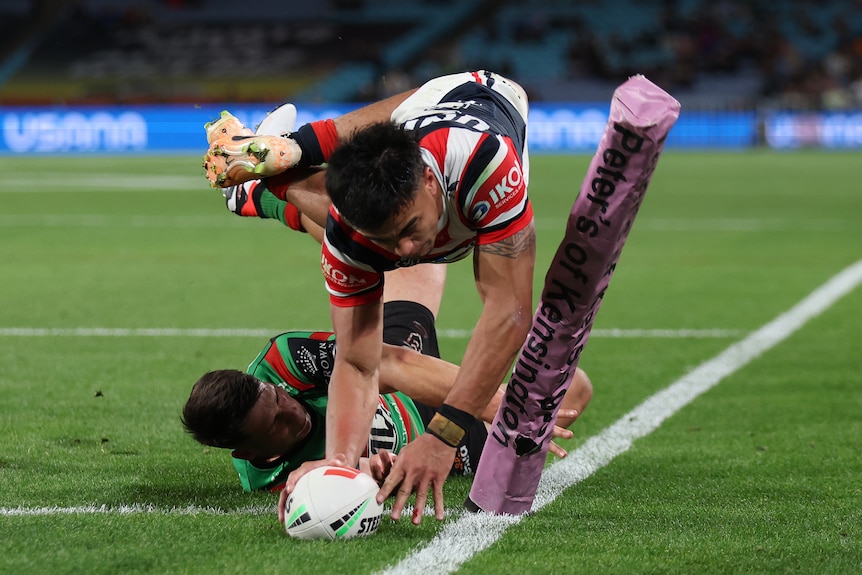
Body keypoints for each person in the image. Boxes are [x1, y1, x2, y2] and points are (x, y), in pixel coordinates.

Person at [203, 70, 537, 524]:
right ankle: (272, 176)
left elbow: (509, 311)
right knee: (341, 222)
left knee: (363, 139)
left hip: (476, 98)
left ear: (429, 184)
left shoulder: (485, 165)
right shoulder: (350, 233)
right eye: (387, 238)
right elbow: (359, 361)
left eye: (409, 230)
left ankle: (279, 165)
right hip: (388, 175)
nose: (404, 252)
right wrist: (339, 463)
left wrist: (442, 437)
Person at [181, 300, 593, 493]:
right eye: (275, 426)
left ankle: (271, 197)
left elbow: (385, 365)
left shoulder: (282, 360)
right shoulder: (272, 480)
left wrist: (509, 409)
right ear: (244, 449)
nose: (290, 411)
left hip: (406, 372)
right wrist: (371, 470)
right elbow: (343, 488)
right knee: (576, 389)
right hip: (442, 446)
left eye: (278, 399)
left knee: (408, 257)